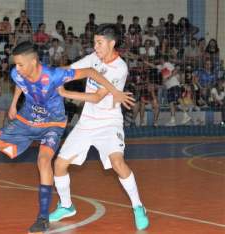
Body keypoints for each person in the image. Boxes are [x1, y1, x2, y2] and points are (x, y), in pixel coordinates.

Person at [0, 41, 134, 233]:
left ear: (34, 62)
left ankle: (43, 218)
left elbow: (91, 72)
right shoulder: (17, 72)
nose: (17, 68)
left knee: (43, 161)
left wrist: (115, 91)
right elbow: (20, 82)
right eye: (15, 64)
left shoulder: (54, 75)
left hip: (52, 124)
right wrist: (15, 103)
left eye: (20, 64)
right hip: (26, 119)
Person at [48, 24, 149, 231]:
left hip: (109, 123)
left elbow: (96, 97)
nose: (95, 46)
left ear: (112, 43)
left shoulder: (119, 67)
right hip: (86, 123)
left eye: (99, 43)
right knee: (59, 164)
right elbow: (72, 70)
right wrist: (48, 74)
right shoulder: (93, 58)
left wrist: (65, 93)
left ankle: (138, 207)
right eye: (94, 42)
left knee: (117, 162)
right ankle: (67, 206)